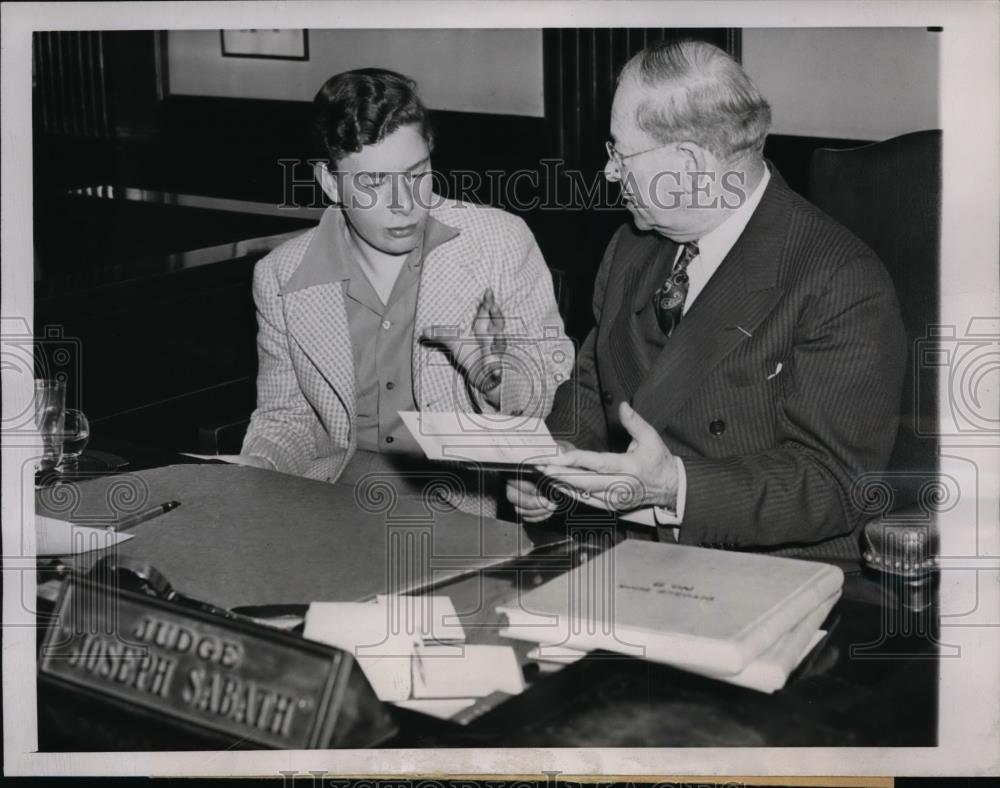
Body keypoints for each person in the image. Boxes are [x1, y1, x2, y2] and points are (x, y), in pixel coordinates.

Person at [507, 40, 906, 558]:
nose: (609, 174)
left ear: (691, 163)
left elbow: (834, 482)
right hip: (627, 549)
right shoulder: (633, 245)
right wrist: (558, 458)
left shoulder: (839, 279)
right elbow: (593, 382)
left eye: (620, 154)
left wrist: (676, 486)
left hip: (770, 572)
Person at [240, 68, 572, 512]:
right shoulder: (281, 277)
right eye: (373, 183)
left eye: (416, 175)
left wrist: (494, 376)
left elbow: (557, 393)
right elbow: (286, 418)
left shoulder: (501, 243)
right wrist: (257, 463)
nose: (403, 204)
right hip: (330, 503)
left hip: (465, 506)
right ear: (329, 182)